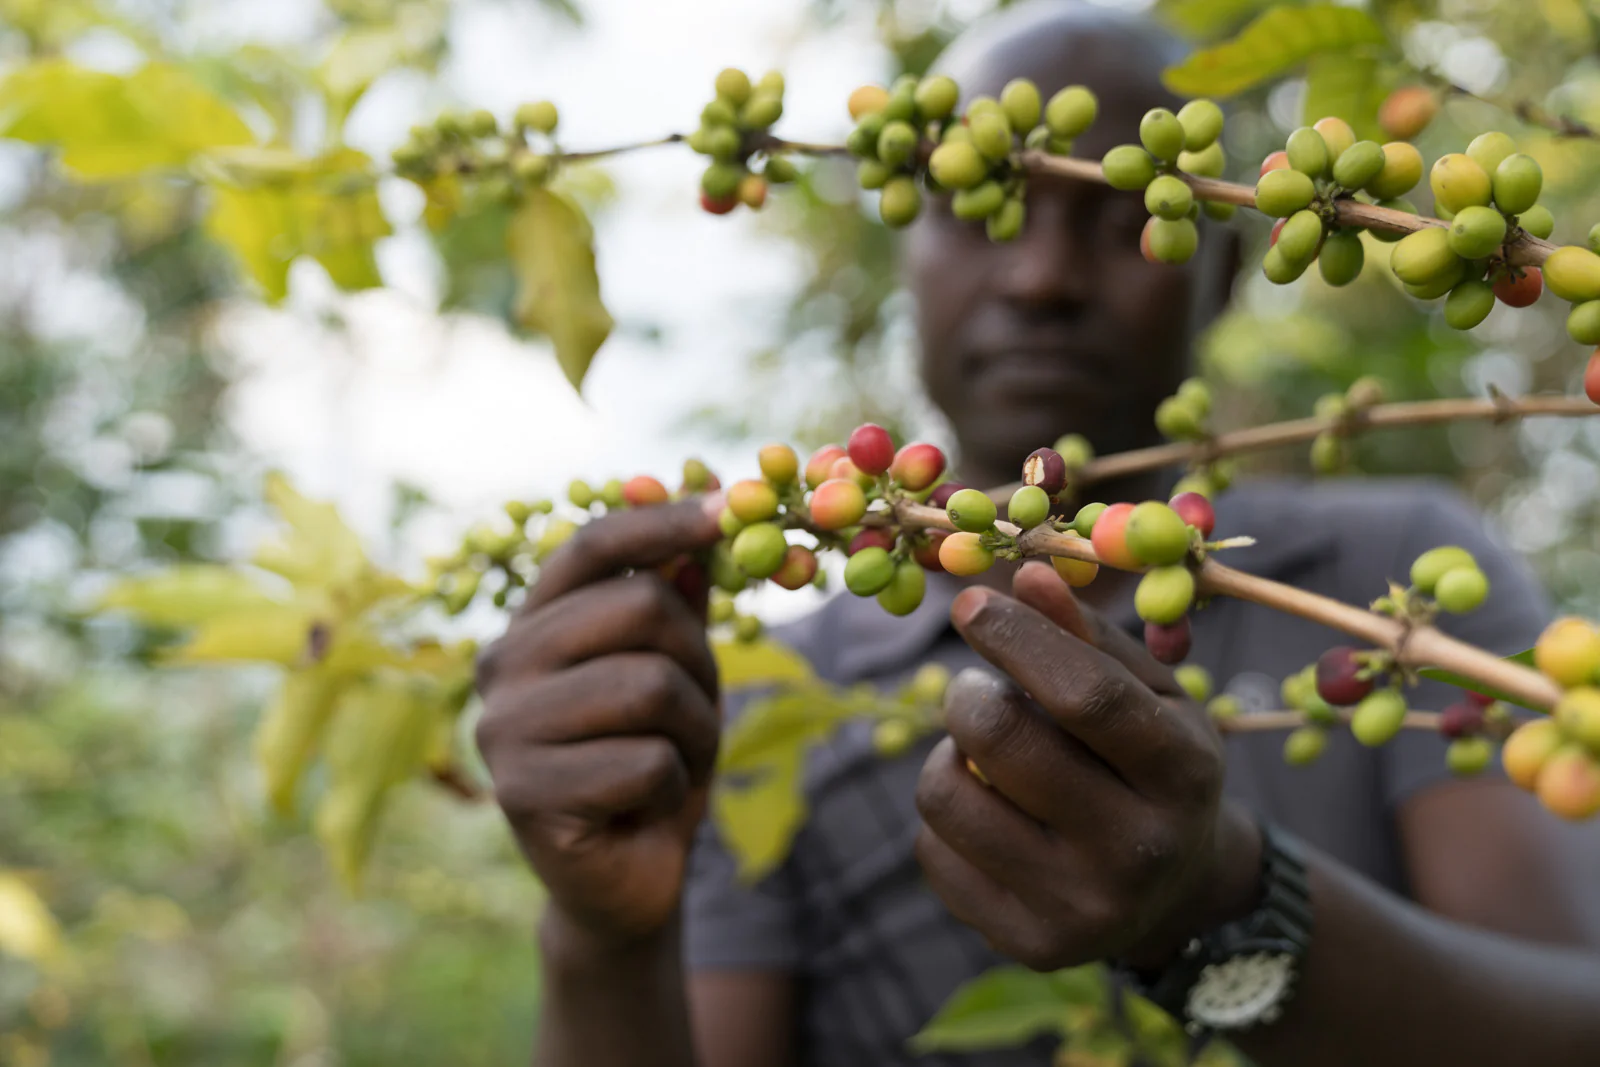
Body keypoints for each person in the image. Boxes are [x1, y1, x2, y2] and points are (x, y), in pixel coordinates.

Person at [471, 4, 1600, 1065]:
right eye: (981, 207)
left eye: (1126, 222)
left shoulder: (1392, 572)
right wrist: (602, 934)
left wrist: (1228, 905)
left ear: (1227, 274)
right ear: (907, 254)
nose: (1043, 276)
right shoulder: (755, 701)